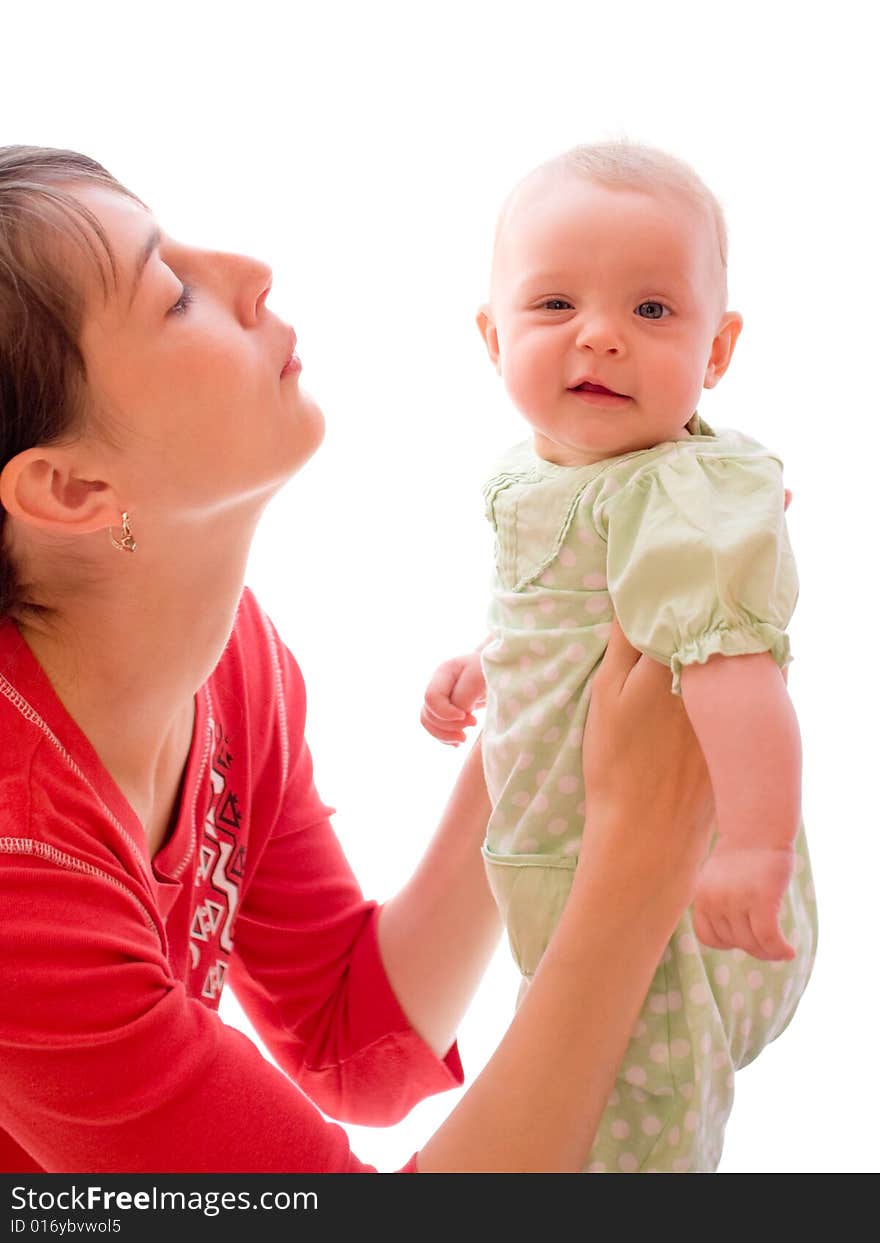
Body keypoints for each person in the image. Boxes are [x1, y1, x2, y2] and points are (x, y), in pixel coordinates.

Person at [0, 145, 717, 1175]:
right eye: (171, 297)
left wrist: (550, 686)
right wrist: (636, 868)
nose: (250, 272)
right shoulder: (20, 882)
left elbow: (353, 1040)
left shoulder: (226, 658)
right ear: (68, 490)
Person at [420, 142, 818, 1173]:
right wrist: (491, 667)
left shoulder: (681, 494)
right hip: (561, 851)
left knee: (637, 1111)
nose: (599, 336)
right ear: (489, 334)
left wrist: (756, 846)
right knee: (567, 1081)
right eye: (553, 305)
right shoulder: (543, 469)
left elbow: (737, 673)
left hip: (667, 880)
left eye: (652, 311)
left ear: (716, 350)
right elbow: (567, 613)